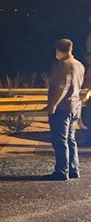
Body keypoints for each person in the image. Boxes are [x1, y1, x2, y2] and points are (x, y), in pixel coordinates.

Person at [43, 39, 85, 181]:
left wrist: (53, 105)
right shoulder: (79, 65)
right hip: (75, 107)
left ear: (58, 50)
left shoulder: (63, 65)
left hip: (62, 108)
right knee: (70, 139)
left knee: (60, 140)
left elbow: (63, 86)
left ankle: (61, 171)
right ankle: (74, 169)